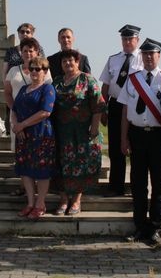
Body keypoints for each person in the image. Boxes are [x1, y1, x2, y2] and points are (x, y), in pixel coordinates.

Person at [118, 38, 161, 246]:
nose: (149, 57)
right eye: (146, 54)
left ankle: (155, 228)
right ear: (141, 56)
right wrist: (124, 138)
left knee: (158, 185)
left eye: (153, 54)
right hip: (137, 135)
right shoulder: (133, 80)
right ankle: (140, 226)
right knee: (138, 184)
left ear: (159, 56)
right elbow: (125, 110)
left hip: (159, 137)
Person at [51, 49, 106, 215]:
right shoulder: (57, 81)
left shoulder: (88, 79)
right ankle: (63, 199)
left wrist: (94, 128)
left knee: (80, 165)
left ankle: (76, 200)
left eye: (71, 60)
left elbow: (98, 105)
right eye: (64, 61)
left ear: (77, 62)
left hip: (83, 132)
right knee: (60, 165)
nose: (68, 63)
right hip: (61, 132)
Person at [99, 24, 143, 197]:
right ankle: (116, 186)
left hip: (136, 107)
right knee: (116, 147)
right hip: (116, 106)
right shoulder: (113, 59)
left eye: (130, 38)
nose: (126, 41)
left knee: (136, 147)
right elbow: (105, 86)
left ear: (137, 40)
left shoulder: (144, 58)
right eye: (124, 38)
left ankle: (135, 185)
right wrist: (103, 109)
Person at [11, 56, 57, 221]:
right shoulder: (23, 89)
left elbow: (45, 112)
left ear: (45, 71)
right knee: (25, 169)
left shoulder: (48, 89)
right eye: (32, 69)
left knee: (41, 171)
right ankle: (30, 203)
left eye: (38, 69)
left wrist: (22, 125)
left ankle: (40, 204)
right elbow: (14, 109)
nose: (35, 72)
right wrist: (16, 126)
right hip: (23, 136)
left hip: (41, 134)